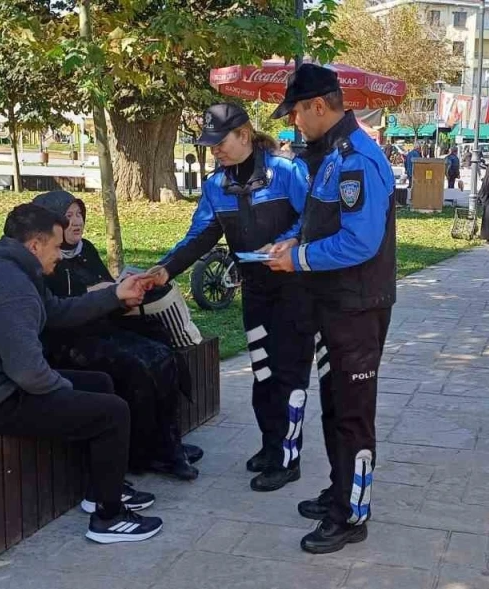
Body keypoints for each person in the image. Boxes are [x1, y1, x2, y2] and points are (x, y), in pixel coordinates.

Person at [0, 203, 163, 544]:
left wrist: (115, 295)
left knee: (101, 384)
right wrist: (65, 389)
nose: (60, 255)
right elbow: (28, 372)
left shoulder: (9, 270)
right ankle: (108, 518)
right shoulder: (9, 287)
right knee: (112, 412)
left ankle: (101, 490)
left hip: (0, 387)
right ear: (34, 246)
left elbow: (58, 311)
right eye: (57, 247)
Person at [263, 63, 396, 553]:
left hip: (357, 306)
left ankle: (351, 515)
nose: (294, 121)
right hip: (333, 303)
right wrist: (292, 243)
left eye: (296, 111)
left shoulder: (357, 157)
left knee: (353, 414)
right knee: (335, 406)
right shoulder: (331, 156)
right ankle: (340, 488)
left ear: (318, 106)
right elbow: (319, 223)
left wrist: (298, 259)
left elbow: (360, 242)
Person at [147, 103, 314, 493]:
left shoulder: (286, 171)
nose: (214, 151)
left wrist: (289, 240)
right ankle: (271, 444)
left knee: (289, 378)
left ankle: (287, 459)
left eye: (219, 142)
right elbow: (201, 235)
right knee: (263, 373)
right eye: (209, 145)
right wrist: (164, 269)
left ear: (244, 134)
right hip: (255, 293)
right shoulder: (215, 185)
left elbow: (314, 217)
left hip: (296, 293)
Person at [30, 191, 203, 482]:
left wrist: (125, 297)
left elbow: (108, 293)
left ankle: (164, 441)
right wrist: (97, 295)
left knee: (160, 347)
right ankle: (144, 452)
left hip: (99, 328)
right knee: (136, 364)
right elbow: (55, 312)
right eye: (68, 216)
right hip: (65, 341)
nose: (76, 222)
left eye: (79, 214)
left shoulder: (85, 250)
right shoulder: (43, 259)